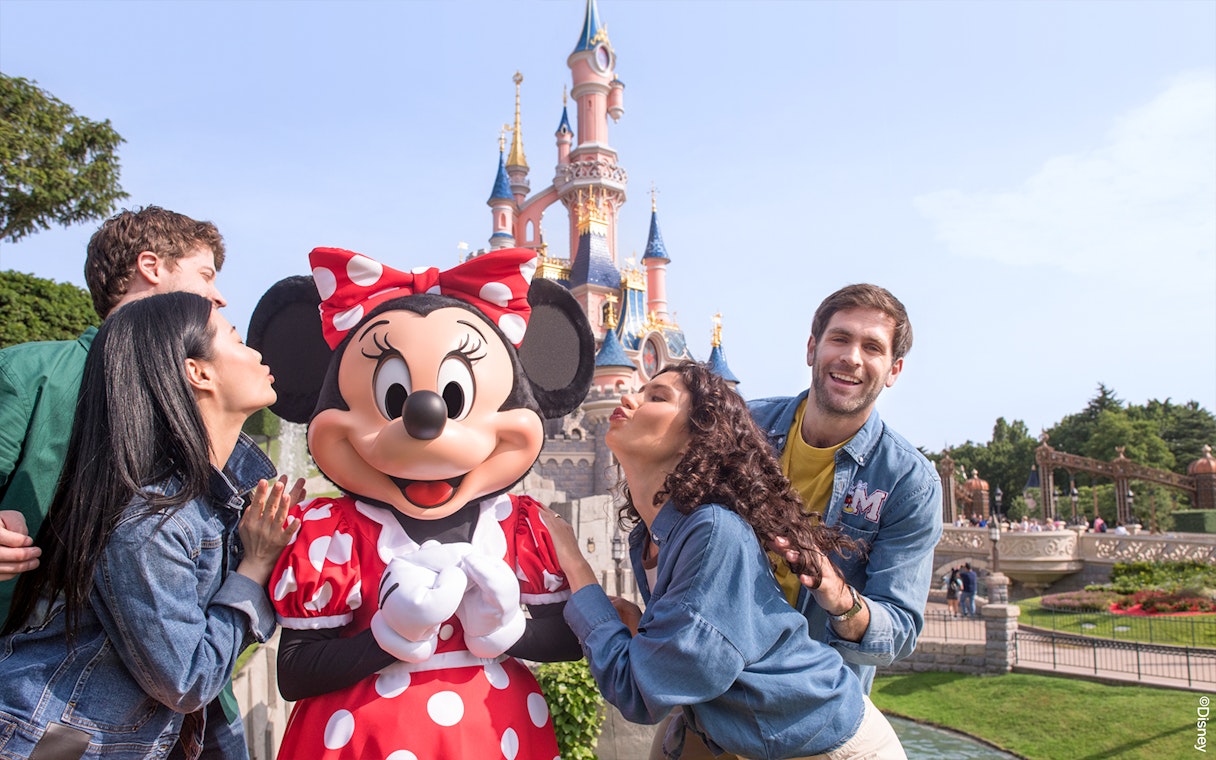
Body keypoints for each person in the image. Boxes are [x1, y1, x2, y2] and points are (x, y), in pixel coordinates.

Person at [544, 361, 906, 760]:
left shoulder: (713, 531)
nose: (629, 397)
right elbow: (690, 659)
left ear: (695, 438)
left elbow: (638, 690)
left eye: (657, 397)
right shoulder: (648, 537)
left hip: (829, 745)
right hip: (744, 737)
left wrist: (576, 567)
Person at [0, 292, 302, 759]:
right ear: (198, 372)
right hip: (51, 744)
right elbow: (188, 679)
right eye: (237, 340)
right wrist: (256, 566)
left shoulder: (204, 497)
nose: (257, 354)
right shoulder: (153, 518)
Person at [0, 205, 228, 619]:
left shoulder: (202, 394)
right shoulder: (27, 373)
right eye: (206, 275)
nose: (219, 296)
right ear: (150, 267)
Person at [748, 283, 943, 695]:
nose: (852, 357)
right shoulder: (744, 428)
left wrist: (837, 595)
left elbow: (900, 630)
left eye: (873, 347)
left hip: (811, 704)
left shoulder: (909, 484)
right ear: (811, 349)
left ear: (894, 370)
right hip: (713, 688)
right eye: (840, 338)